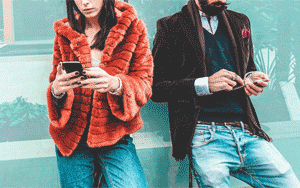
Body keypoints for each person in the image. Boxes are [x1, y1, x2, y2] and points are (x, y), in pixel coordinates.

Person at [152, 0, 300, 187]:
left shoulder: (240, 22)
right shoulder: (170, 26)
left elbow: (247, 68)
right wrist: (206, 84)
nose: (222, 0)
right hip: (204, 134)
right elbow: (156, 88)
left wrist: (251, 78)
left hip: (246, 130)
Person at [46, 0, 153, 187]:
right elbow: (55, 81)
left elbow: (145, 84)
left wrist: (116, 84)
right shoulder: (65, 33)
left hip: (114, 134)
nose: (85, 2)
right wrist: (57, 90)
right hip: (72, 137)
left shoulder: (133, 28)